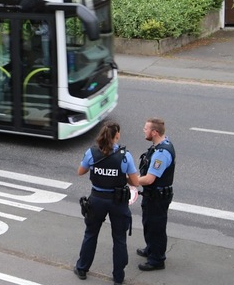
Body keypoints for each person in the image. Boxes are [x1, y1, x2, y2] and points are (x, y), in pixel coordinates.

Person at [73, 122, 139, 284]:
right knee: (119, 239)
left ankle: (82, 268)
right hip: (117, 202)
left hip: (96, 200)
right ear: (116, 136)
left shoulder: (92, 152)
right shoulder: (125, 156)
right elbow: (135, 182)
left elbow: (80, 172)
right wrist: (120, 176)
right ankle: (118, 277)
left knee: (91, 234)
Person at [136, 117, 176, 272]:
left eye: (146, 128)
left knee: (156, 227)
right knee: (148, 223)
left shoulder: (161, 154)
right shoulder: (161, 143)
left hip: (157, 197)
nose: (143, 130)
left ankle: (157, 260)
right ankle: (151, 249)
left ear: (154, 132)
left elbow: (149, 179)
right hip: (152, 195)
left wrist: (130, 180)